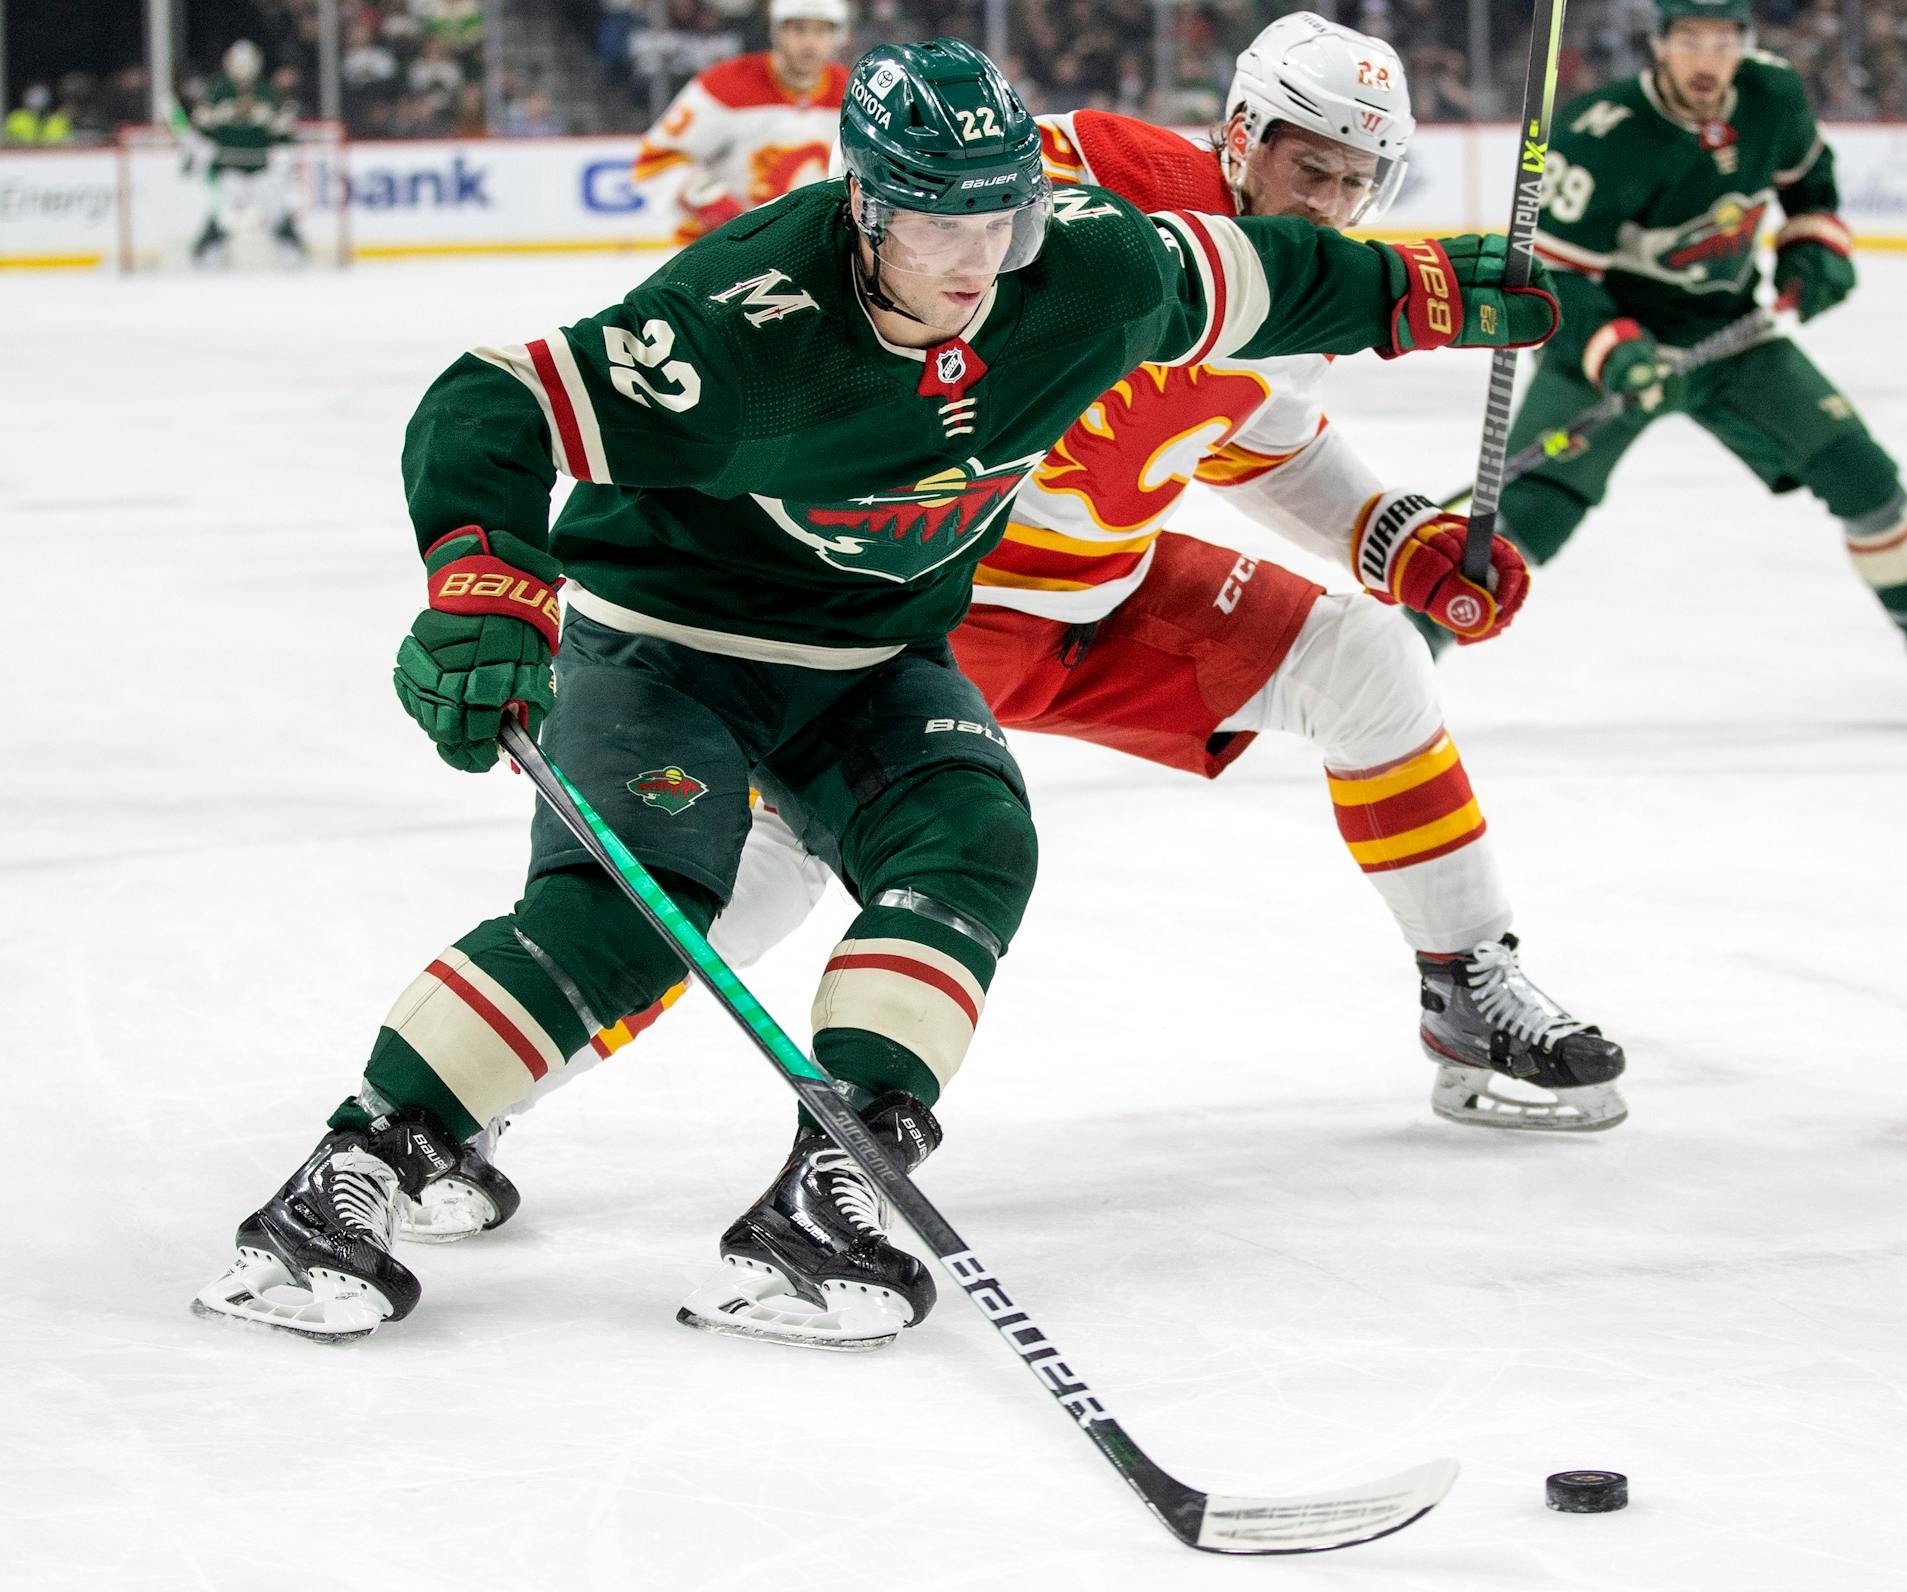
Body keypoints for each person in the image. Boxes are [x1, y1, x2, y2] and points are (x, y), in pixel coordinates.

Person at [193, 38, 1561, 1347]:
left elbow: (1258, 280)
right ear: (862, 203)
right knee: (644, 904)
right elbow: (488, 404)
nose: (973, 266)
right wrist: (484, 581)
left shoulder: (1084, 272)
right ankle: (355, 1167)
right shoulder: (746, 326)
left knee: (974, 841)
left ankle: (832, 1180)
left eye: (1002, 226)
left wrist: (1423, 293)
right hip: (674, 641)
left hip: (880, 649)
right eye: (933, 226)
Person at [1497, 0, 1907, 722]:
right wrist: (1615, 351)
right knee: (1517, 526)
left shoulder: (1773, 95)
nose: (1706, 59)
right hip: (1616, 347)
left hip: (1732, 340)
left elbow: (1810, 183)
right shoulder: (1599, 134)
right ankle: (1401, 660)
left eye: (1723, 40)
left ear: (1745, 44)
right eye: (1689, 41)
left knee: (1868, 483)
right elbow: (1552, 282)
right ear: (1660, 46)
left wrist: (1813, 245)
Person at [631, 0, 850, 247]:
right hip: (720, 251)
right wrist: (713, 203)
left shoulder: (852, 93)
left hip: (805, 251)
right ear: (776, 31)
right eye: (798, 29)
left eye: (821, 31)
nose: (810, 43)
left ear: (838, 35)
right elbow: (656, 159)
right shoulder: (724, 86)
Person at [179, 40, 306, 265]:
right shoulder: (219, 90)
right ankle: (207, 252)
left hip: (260, 165)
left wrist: (276, 127)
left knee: (275, 210)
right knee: (224, 215)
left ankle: (291, 251)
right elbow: (203, 128)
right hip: (228, 165)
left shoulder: (267, 91)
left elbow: (282, 133)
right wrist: (213, 121)